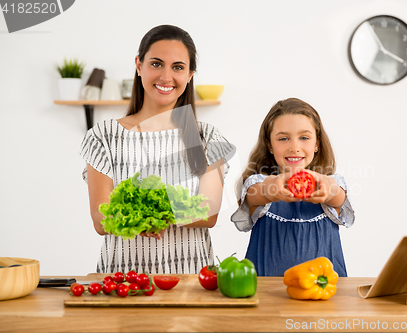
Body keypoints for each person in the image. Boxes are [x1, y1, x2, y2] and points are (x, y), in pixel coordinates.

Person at [79, 25, 235, 274]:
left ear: (190, 75)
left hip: (191, 278)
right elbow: (101, 220)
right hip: (123, 279)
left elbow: (209, 213)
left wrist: (148, 213)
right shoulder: (104, 136)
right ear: (139, 65)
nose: (166, 77)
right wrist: (167, 212)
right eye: (156, 64)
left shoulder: (207, 137)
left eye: (178, 67)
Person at [231, 98, 354, 277]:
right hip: (267, 294)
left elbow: (337, 195)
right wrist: (272, 189)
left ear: (317, 144)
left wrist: (327, 187)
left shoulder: (332, 183)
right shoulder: (257, 183)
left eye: (304, 137)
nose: (295, 147)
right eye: (283, 138)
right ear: (269, 145)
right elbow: (256, 192)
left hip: (325, 293)